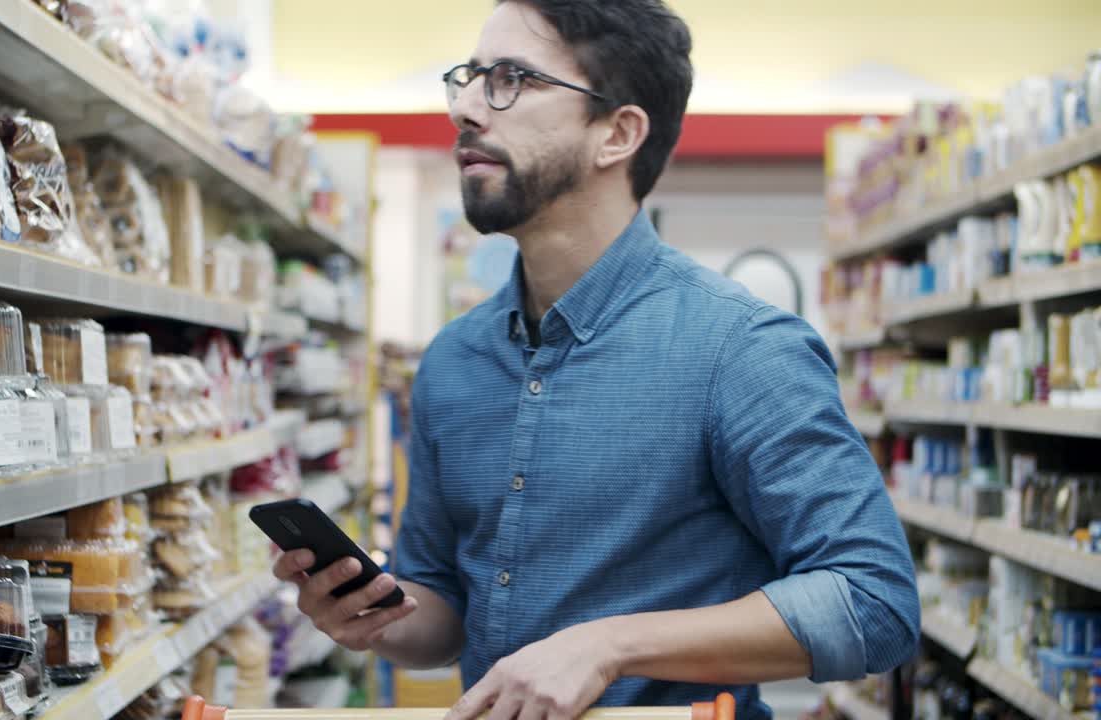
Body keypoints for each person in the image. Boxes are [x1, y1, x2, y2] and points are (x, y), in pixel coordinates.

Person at [271, 2, 921, 718]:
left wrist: (609, 646)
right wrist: (371, 616)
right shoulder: (453, 363)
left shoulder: (740, 348)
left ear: (618, 133)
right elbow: (445, 611)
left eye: (512, 78)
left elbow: (873, 601)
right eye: (470, 78)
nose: (464, 108)